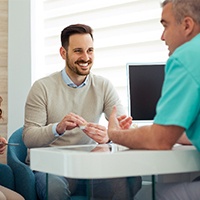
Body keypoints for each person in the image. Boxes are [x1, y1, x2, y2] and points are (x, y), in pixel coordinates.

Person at [23, 24, 141, 200]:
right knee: (55, 189)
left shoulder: (103, 86)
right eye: (78, 51)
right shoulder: (42, 88)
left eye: (90, 50)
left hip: (87, 166)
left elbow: (124, 127)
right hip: (53, 167)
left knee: (130, 180)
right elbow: (29, 137)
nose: (86, 57)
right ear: (63, 53)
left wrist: (110, 136)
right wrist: (58, 128)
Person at [107, 0, 200, 199]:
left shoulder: (187, 56)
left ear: (187, 25)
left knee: (146, 195)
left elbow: (160, 141)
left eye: (165, 25)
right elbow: (178, 135)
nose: (162, 36)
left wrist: (113, 134)